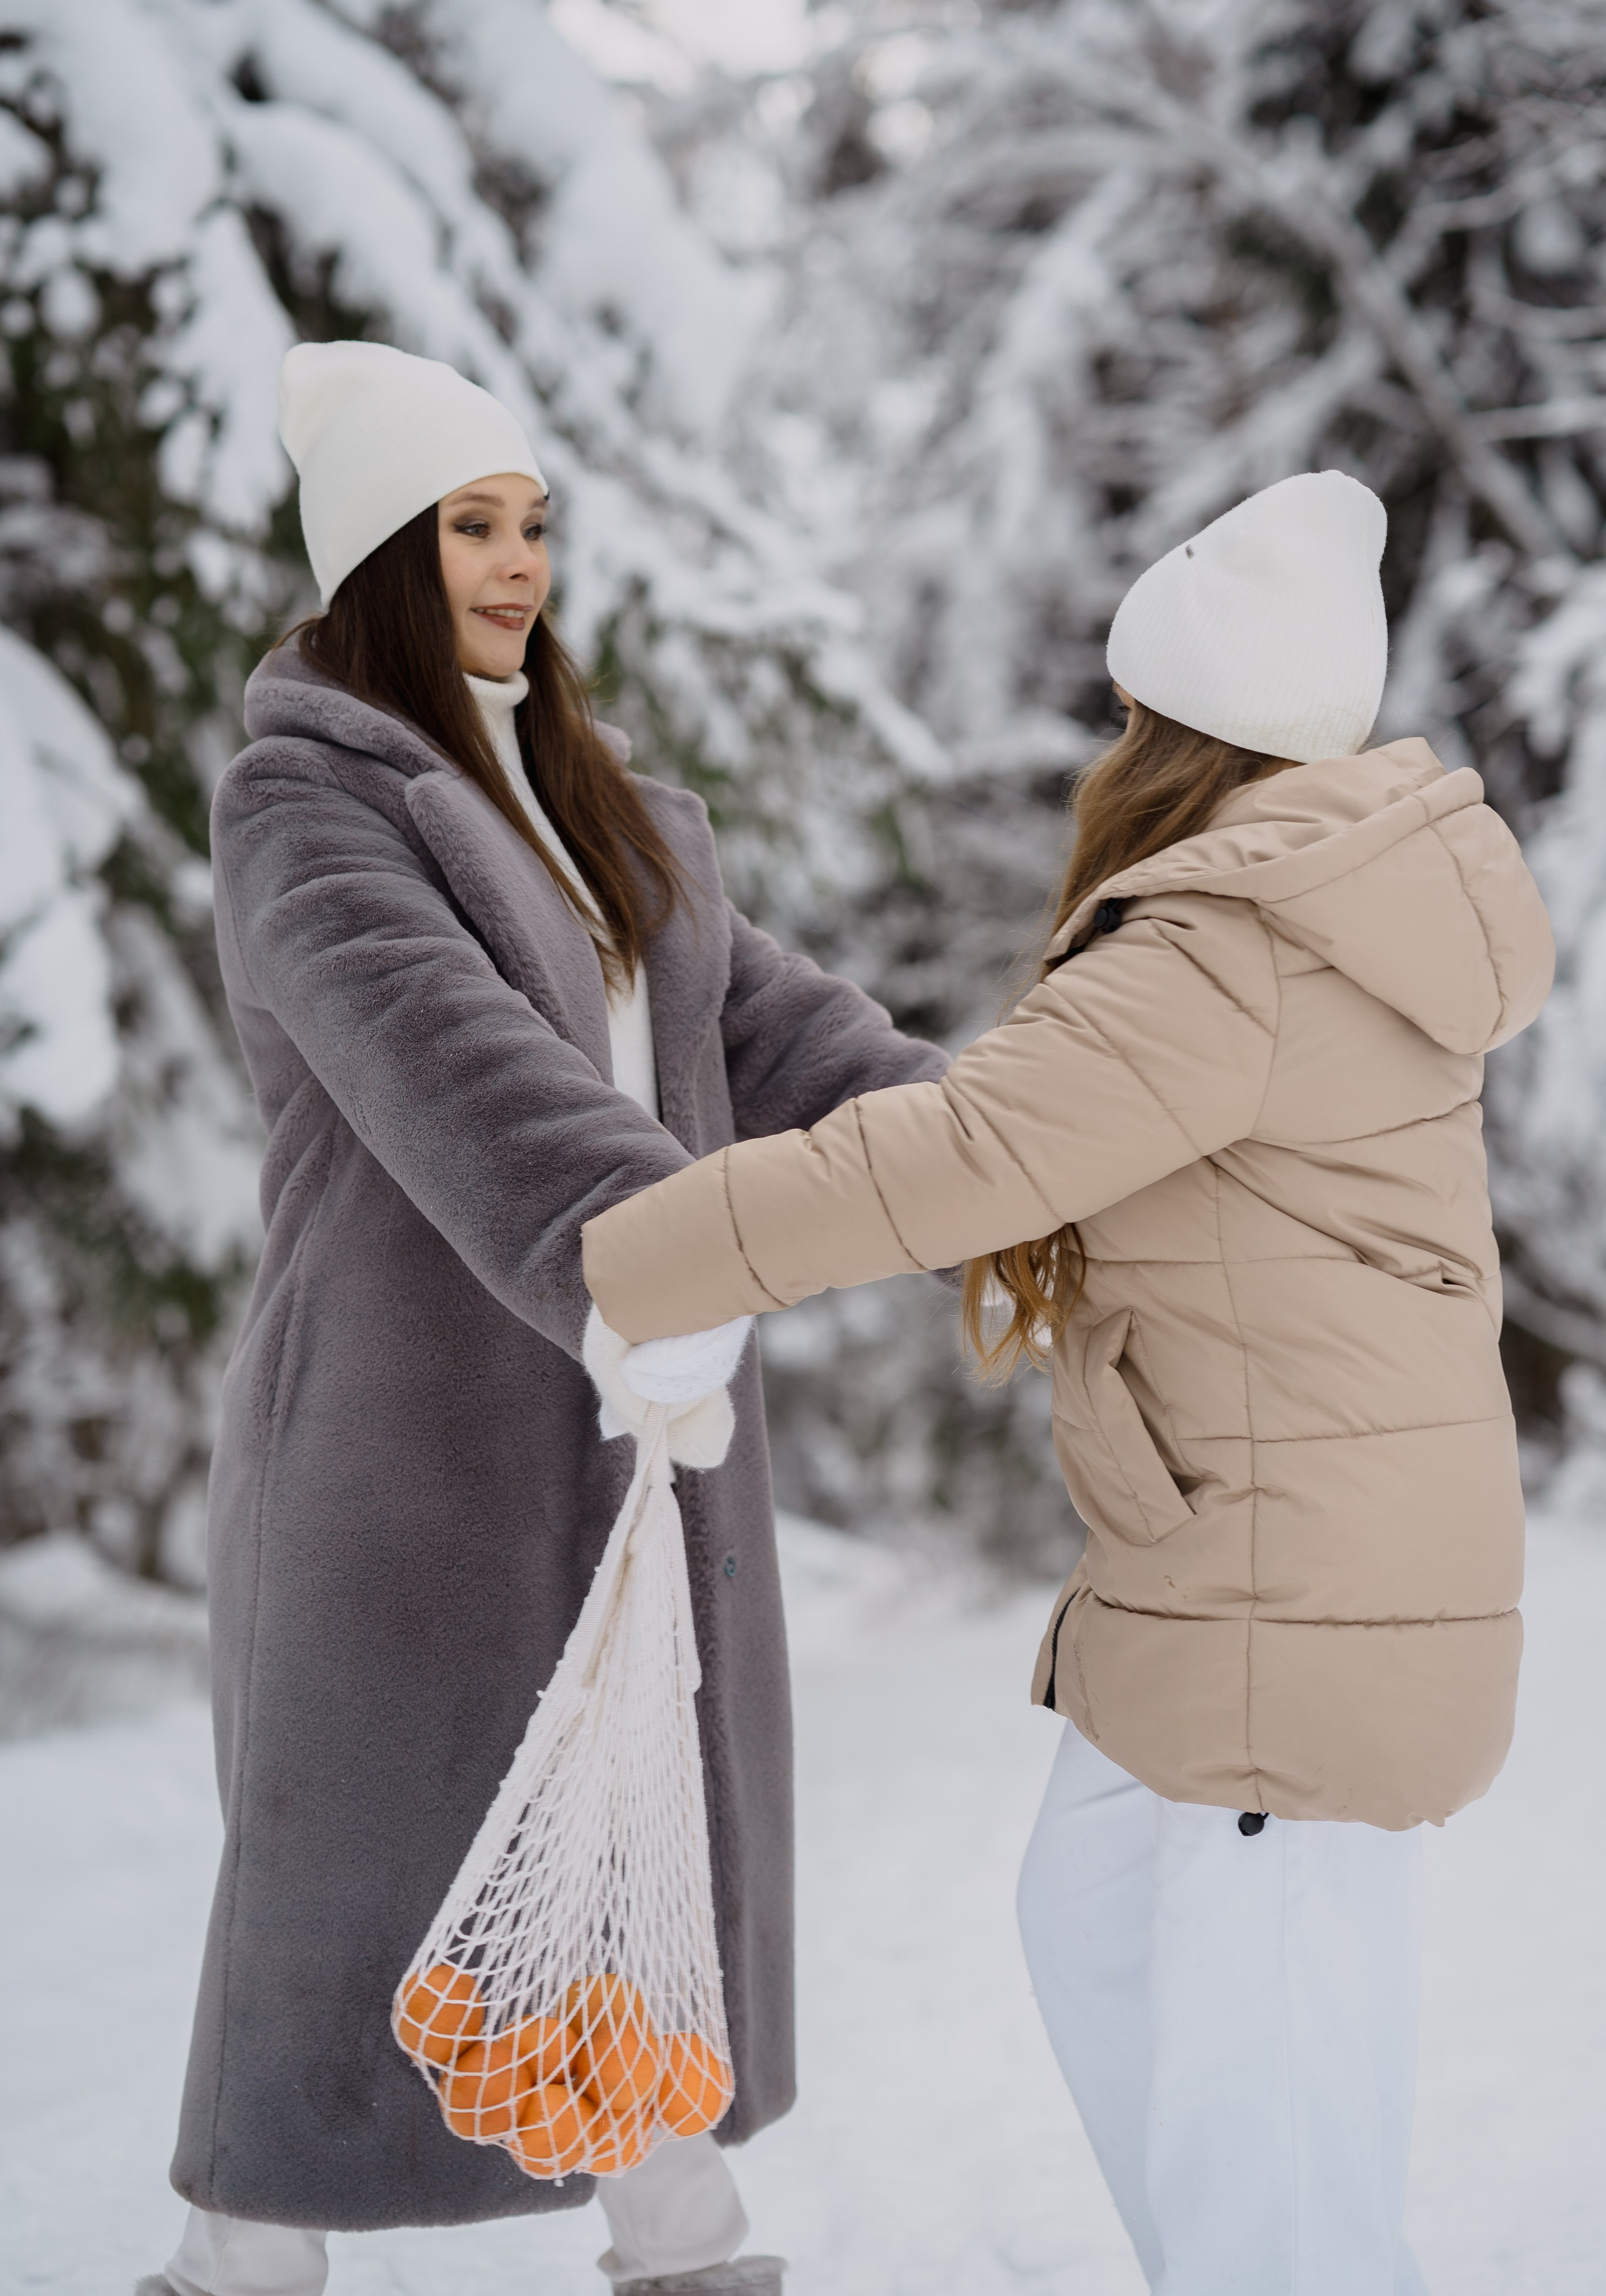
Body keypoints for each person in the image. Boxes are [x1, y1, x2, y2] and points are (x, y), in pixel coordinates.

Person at [579, 472, 1555, 2296]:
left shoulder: (1228, 946)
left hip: (1297, 1585)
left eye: (1132, 713)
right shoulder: (1320, 913)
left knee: (1265, 2108)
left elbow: (954, 1158)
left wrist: (628, 1255)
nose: (1113, 748)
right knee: (1112, 1927)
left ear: (1179, 733)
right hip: (1270, 1556)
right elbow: (1039, 1126)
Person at [141, 341, 949, 2296]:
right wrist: (648, 1251)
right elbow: (452, 1062)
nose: (512, 564)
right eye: (464, 529)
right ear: (374, 567)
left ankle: (685, 2247)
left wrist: (1004, 1161)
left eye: (528, 524)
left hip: (637, 1441)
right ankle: (241, 2262)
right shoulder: (309, 809)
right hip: (399, 1456)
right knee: (345, 1897)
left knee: (636, 1851)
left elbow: (799, 1042)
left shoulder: (627, 817)